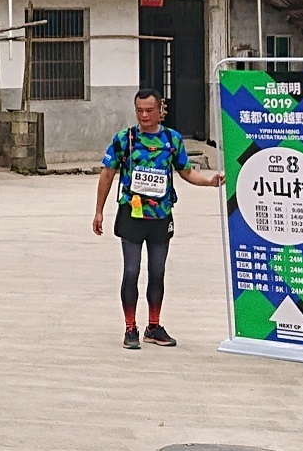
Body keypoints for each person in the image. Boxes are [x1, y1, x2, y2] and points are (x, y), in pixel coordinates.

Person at [91, 88, 224, 349]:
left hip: (161, 216)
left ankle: (154, 326)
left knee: (158, 272)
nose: (144, 115)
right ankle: (131, 328)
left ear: (161, 109)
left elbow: (186, 172)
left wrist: (210, 182)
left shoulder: (172, 140)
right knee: (131, 272)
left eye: (149, 110)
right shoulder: (124, 139)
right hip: (132, 214)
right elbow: (107, 174)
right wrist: (99, 210)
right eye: (139, 110)